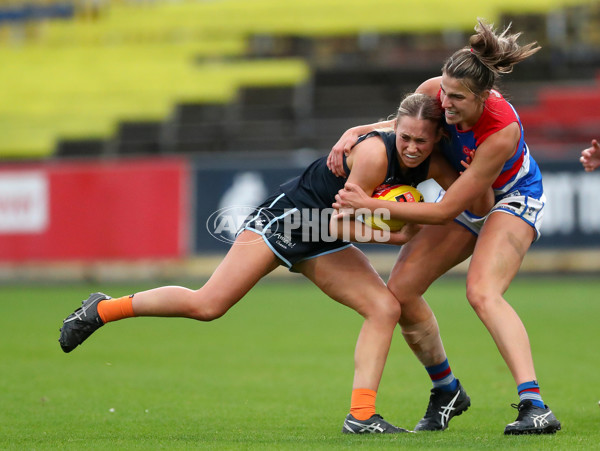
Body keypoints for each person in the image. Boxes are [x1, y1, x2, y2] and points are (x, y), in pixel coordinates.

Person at [59, 93, 466, 435]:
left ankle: (361, 416)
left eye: (422, 141)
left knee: (385, 307)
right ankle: (103, 309)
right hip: (289, 221)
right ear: (395, 129)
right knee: (208, 305)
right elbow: (346, 221)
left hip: (324, 236)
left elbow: (459, 200)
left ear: (438, 138)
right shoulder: (377, 154)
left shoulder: (431, 159)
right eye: (406, 137)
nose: (412, 147)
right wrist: (400, 232)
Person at [328, 19, 561, 435]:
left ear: (484, 96)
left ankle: (535, 405)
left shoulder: (500, 130)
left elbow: (445, 210)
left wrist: (365, 204)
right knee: (399, 294)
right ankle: (447, 389)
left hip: (511, 197)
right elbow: (407, 124)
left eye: (457, 98)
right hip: (464, 190)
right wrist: (360, 130)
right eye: (444, 92)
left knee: (482, 291)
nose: (446, 104)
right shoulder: (436, 89)